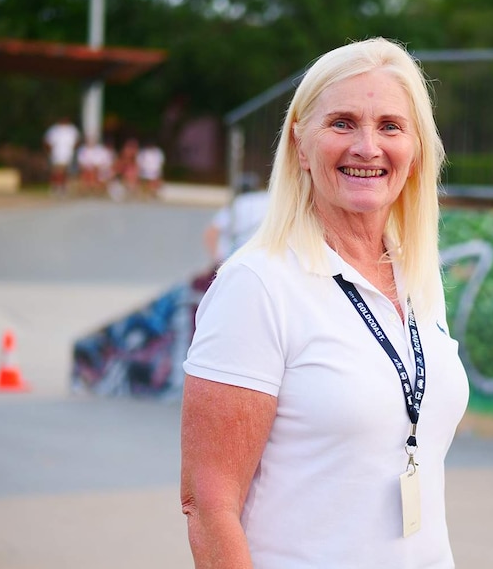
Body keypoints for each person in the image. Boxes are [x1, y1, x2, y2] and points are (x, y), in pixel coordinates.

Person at [180, 38, 469, 568]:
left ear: (416, 150)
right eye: (341, 123)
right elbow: (208, 503)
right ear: (299, 144)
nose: (367, 147)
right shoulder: (258, 285)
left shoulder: (416, 278)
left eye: (389, 126)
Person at [202, 178, 270, 266]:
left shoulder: (239, 203)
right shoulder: (266, 201)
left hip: (232, 259)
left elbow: (212, 231)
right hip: (258, 259)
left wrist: (217, 260)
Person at [44, 116, 80, 196]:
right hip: (56, 154)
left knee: (64, 172)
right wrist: (50, 151)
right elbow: (47, 141)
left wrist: (73, 150)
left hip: (67, 154)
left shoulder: (71, 129)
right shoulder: (54, 129)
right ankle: (55, 187)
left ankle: (63, 187)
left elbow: (77, 141)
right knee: (55, 172)